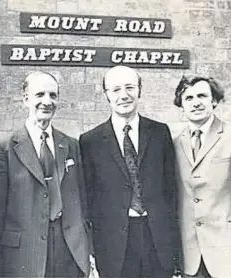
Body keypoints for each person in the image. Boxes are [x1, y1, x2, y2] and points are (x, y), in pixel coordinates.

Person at [0, 71, 91, 277]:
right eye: (39, 95)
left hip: (68, 251)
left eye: (53, 95)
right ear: (26, 99)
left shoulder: (70, 145)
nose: (47, 101)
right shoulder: (4, 148)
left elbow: (83, 202)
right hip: (22, 255)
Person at [79, 65, 180, 278]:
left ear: (139, 90)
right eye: (115, 90)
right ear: (106, 95)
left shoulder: (160, 132)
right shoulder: (90, 141)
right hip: (114, 246)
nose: (123, 95)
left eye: (130, 87)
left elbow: (171, 189)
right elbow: (88, 198)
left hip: (158, 240)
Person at [173, 75, 231, 278]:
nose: (196, 102)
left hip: (225, 251)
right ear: (181, 105)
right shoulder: (174, 143)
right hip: (190, 256)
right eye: (188, 98)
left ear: (214, 100)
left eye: (202, 96)